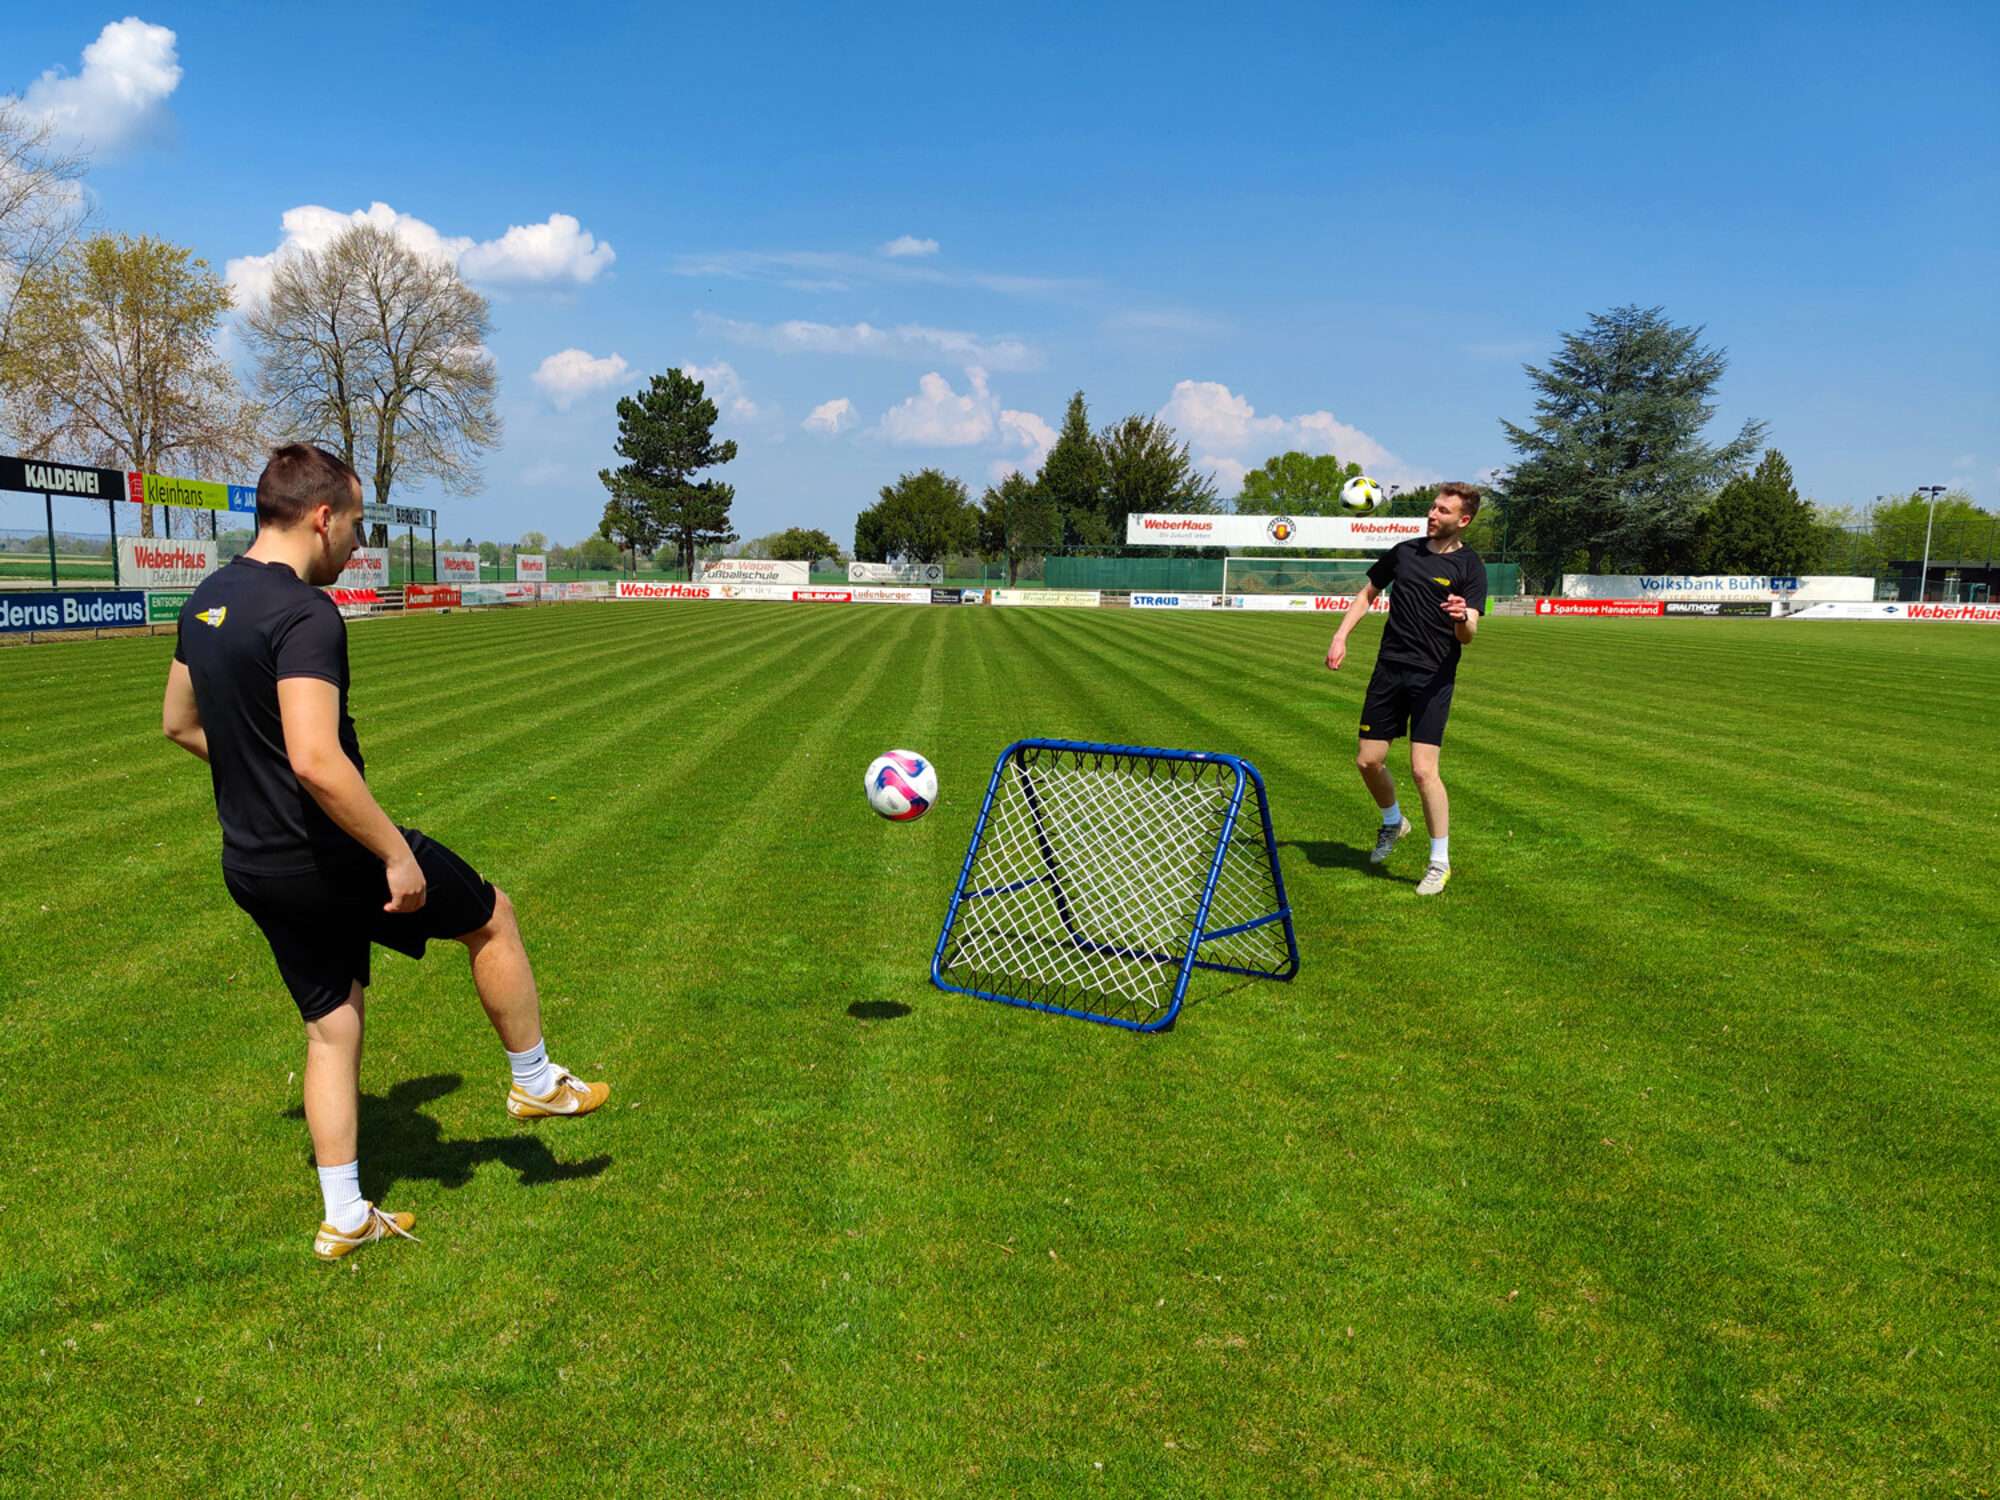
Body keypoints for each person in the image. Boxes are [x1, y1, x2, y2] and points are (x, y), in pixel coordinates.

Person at [161, 443, 608, 1261]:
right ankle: (537, 1082)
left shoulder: (208, 598)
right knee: (492, 916)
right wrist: (393, 855)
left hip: (253, 864)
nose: (357, 543)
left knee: (332, 1029)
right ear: (322, 516)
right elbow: (315, 759)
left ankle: (346, 1214)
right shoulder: (304, 613)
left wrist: (257, 778)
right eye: (356, 524)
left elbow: (180, 724)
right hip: (331, 856)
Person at [1323, 482, 1488, 896]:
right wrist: (1341, 636)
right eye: (1433, 508)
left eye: (1443, 511)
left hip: (1432, 678)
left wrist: (1460, 615)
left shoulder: (1470, 567)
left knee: (1422, 770)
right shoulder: (1404, 552)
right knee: (1367, 761)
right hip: (1388, 672)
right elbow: (1367, 594)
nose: (1433, 515)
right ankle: (1394, 821)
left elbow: (1468, 635)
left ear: (1462, 520)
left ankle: (1438, 862)